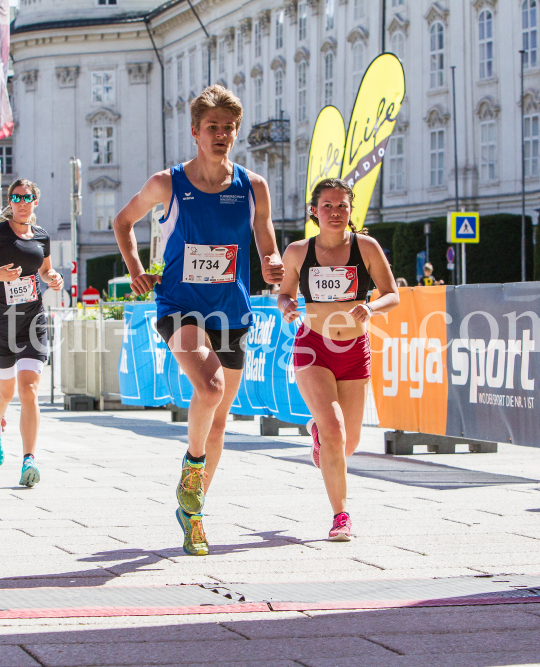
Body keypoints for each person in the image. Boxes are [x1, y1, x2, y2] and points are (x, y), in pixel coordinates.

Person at [113, 85, 284, 556]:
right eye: (213, 127)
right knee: (208, 389)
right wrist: (134, 270)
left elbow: (266, 241)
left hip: (230, 309)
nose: (222, 135)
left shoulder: (253, 186)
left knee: (220, 421)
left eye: (229, 128)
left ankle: (193, 511)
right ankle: (191, 469)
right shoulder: (167, 183)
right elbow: (122, 221)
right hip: (179, 305)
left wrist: (272, 264)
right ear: (195, 132)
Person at [278, 178, 400, 541]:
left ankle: (318, 434)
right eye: (327, 206)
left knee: (348, 443)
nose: (335, 212)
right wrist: (287, 308)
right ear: (313, 211)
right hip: (313, 346)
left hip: (354, 351)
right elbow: (283, 295)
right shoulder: (299, 252)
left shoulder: (367, 247)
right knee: (334, 430)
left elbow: (392, 294)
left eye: (342, 206)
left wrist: (371, 306)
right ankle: (341, 515)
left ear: (351, 211)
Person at [0, 180, 63, 488]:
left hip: (33, 320)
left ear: (35, 201)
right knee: (4, 393)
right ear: (10, 201)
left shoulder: (42, 236)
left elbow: (44, 270)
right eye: (16, 197)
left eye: (27, 197)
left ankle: (28, 460)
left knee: (29, 389)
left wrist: (53, 277)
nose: (21, 202)